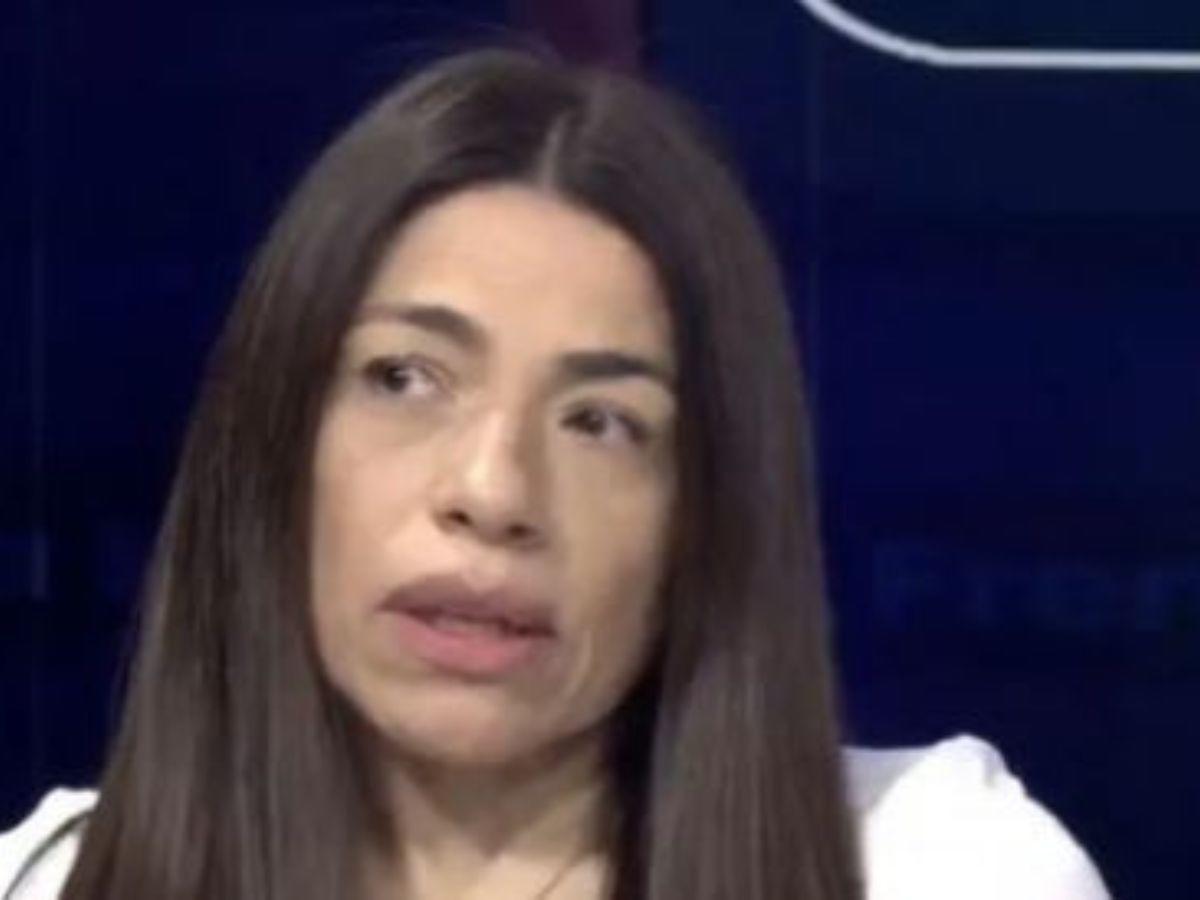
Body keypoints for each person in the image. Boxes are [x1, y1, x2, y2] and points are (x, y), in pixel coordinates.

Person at [0, 48, 1109, 900]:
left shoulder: (940, 868)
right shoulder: (52, 882)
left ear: (704, 519)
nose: (494, 493)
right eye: (404, 377)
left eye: (601, 422)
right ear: (274, 444)